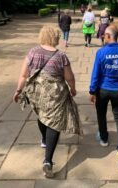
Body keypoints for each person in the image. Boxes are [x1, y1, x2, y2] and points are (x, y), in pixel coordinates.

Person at [13, 25, 81, 178]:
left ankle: (44, 138)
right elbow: (69, 77)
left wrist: (18, 91)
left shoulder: (32, 52)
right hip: (55, 96)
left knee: (42, 116)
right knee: (54, 123)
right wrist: (73, 88)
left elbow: (24, 75)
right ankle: (47, 161)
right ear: (55, 37)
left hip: (36, 93)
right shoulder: (61, 56)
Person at [89, 24, 118, 169]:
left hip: (103, 90)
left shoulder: (101, 53)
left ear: (109, 36)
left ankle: (103, 138)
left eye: (104, 35)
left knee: (101, 113)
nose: (103, 37)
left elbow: (96, 74)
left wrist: (92, 91)